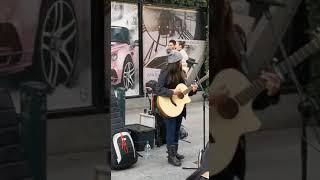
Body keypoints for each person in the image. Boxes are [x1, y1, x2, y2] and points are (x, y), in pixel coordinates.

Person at [208, 0, 282, 179]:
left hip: (233, 148)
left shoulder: (237, 36)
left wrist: (268, 90)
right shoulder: (188, 37)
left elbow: (244, 98)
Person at [155, 49, 198, 166]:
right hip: (168, 105)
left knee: (176, 129)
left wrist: (193, 90)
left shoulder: (181, 73)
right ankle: (171, 156)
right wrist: (173, 91)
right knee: (171, 130)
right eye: (180, 61)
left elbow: (184, 92)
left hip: (179, 106)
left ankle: (175, 152)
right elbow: (158, 89)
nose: (182, 62)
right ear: (176, 62)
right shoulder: (165, 72)